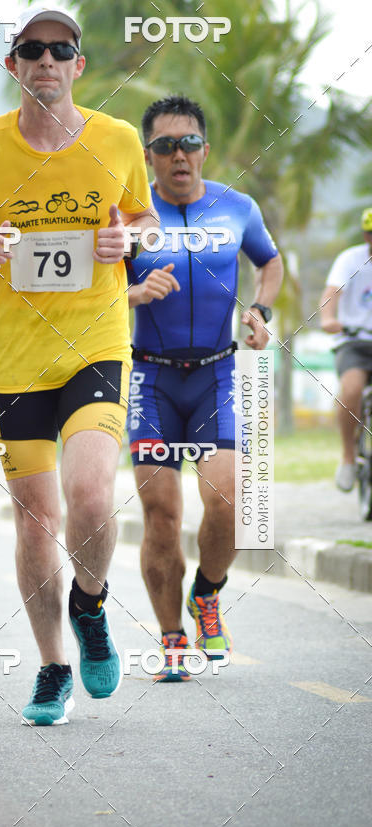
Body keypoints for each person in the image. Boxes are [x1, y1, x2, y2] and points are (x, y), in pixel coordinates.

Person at [0, 4, 158, 725]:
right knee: (34, 521)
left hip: (95, 343)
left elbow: (143, 219)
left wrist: (129, 244)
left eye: (61, 50)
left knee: (90, 495)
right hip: (15, 360)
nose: (47, 61)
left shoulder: (117, 140)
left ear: (78, 66)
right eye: (32, 49)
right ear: (13, 65)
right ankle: (54, 664)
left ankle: (91, 605)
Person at [126, 95, 283, 681]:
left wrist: (262, 310)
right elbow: (97, 291)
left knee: (228, 500)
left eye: (188, 142)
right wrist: (135, 294)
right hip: (152, 378)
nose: (179, 155)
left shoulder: (236, 207)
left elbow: (270, 262)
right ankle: (171, 638)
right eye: (165, 146)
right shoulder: (131, 217)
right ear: (149, 156)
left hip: (218, 372)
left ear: (205, 149)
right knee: (161, 514)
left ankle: (207, 593)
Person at [319, 208, 372, 492]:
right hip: (354, 341)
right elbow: (330, 295)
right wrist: (329, 319)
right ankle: (349, 457)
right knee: (351, 389)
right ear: (366, 235)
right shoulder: (350, 259)